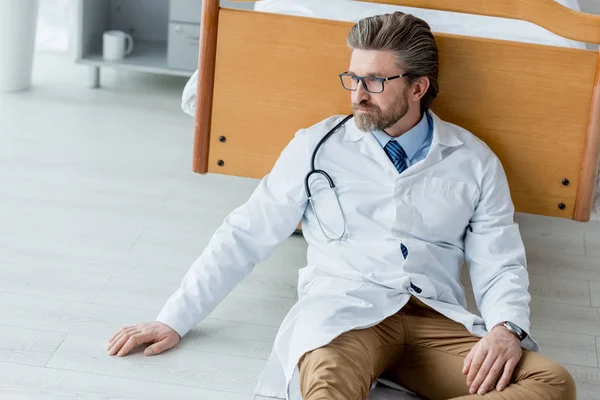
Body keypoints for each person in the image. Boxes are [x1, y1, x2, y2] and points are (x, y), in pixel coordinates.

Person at [107, 11, 576, 400]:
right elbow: (246, 234)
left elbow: (500, 263)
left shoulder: (474, 160)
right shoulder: (317, 145)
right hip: (346, 309)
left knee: (551, 383)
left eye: (375, 81)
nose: (357, 94)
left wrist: (504, 329)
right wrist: (174, 317)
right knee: (326, 387)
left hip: (432, 317)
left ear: (418, 88)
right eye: (352, 77)